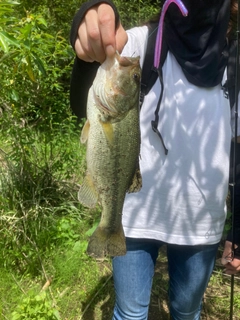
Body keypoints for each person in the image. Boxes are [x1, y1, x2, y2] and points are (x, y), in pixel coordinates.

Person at [70, 0, 240, 319]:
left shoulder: (236, 62)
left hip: (201, 220)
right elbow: (86, 95)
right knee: (130, 313)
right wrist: (89, 20)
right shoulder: (143, 43)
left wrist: (239, 231)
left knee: (186, 312)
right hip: (133, 214)